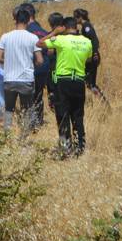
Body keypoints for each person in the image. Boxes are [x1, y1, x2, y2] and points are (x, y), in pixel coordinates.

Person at [37, 16, 93, 157]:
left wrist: (54, 32)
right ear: (76, 27)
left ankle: (65, 148)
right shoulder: (87, 42)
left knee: (62, 115)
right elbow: (89, 58)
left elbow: (39, 43)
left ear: (64, 27)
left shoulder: (61, 40)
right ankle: (80, 147)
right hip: (79, 82)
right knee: (78, 115)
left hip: (63, 81)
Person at [0, 8, 45, 132]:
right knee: (27, 109)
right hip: (26, 79)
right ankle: (25, 137)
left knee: (9, 109)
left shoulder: (5, 36)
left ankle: (6, 133)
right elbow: (40, 60)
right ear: (29, 20)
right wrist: (31, 64)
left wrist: (8, 63)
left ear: (15, 19)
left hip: (9, 79)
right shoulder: (33, 38)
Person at [20, 3, 49, 130]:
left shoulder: (26, 31)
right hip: (44, 68)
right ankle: (39, 120)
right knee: (38, 95)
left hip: (31, 67)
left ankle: (30, 123)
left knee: (28, 96)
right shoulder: (42, 30)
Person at [74, 9, 102, 96]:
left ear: (80, 17)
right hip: (90, 57)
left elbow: (94, 40)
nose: (74, 19)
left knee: (91, 83)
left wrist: (95, 53)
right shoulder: (84, 26)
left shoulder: (86, 27)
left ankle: (102, 101)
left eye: (75, 17)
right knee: (88, 82)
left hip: (93, 57)